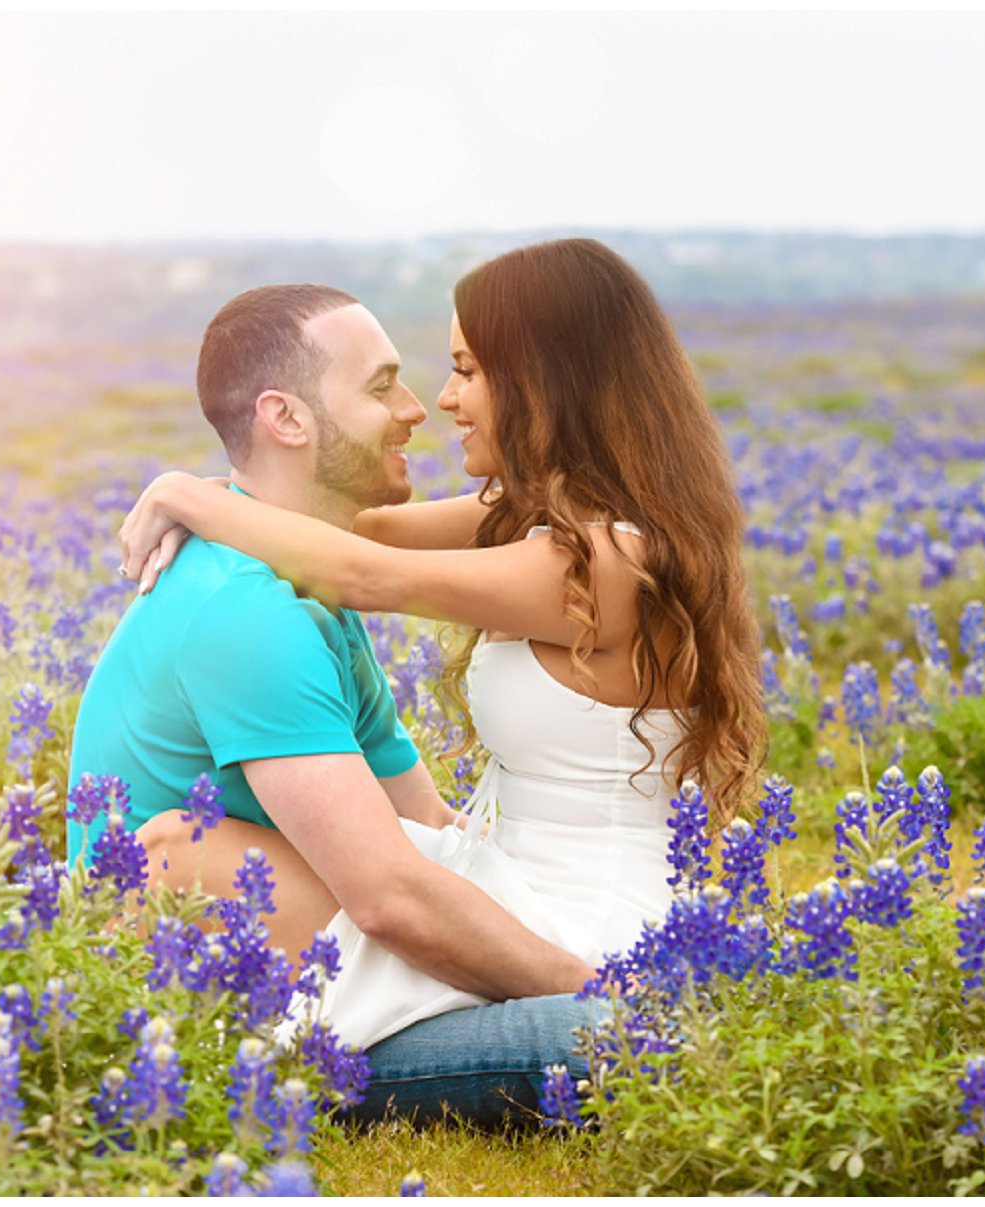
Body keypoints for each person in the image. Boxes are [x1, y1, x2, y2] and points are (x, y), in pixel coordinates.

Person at [119, 239, 769, 1066]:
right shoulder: (537, 515)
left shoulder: (609, 561)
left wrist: (181, 491)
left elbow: (362, 572)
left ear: (544, 381)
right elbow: (346, 528)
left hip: (578, 922)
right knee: (201, 852)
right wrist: (232, 500)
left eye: (467, 370)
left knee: (186, 865)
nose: (446, 399)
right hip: (502, 869)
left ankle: (355, 1053)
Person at [68, 282, 598, 1124]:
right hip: (223, 1007)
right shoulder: (246, 612)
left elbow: (426, 824)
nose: (416, 407)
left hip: (332, 954)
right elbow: (392, 894)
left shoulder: (303, 585)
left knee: (609, 980)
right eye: (382, 385)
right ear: (288, 418)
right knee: (609, 1031)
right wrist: (596, 981)